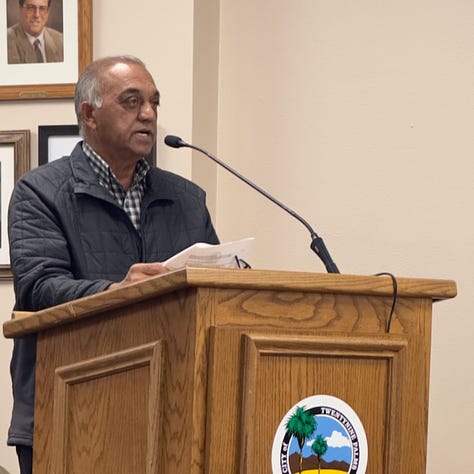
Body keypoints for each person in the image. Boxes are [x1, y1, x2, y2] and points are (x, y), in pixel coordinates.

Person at [7, 55, 219, 473]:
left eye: (154, 103)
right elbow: (39, 287)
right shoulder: (40, 193)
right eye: (131, 101)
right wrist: (113, 291)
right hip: (70, 405)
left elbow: (211, 285)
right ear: (89, 114)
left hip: (172, 412)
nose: (148, 114)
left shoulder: (187, 199)